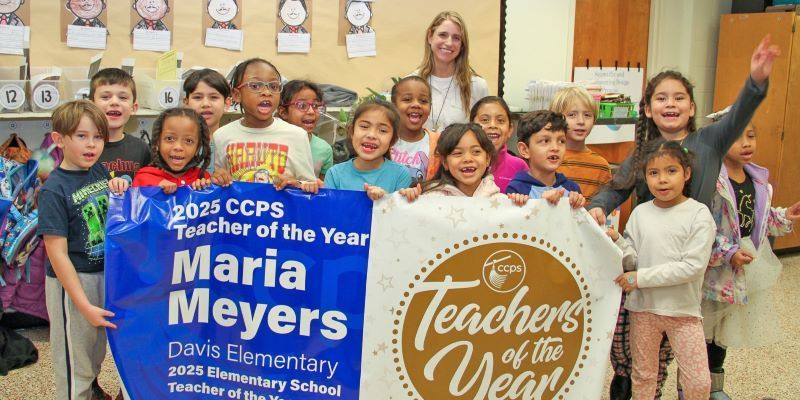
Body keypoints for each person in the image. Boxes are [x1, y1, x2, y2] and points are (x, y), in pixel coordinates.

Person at [587, 36, 778, 400]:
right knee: (640, 354)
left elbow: (739, 114)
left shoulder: (710, 141)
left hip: (694, 263)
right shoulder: (643, 153)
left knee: (692, 345)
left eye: (678, 98)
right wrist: (599, 205)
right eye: (661, 98)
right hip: (646, 264)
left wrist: (756, 81)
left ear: (691, 108)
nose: (670, 103)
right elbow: (617, 188)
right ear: (647, 109)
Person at [608, 139, 715, 400]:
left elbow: (692, 267)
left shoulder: (698, 214)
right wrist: (617, 242)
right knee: (643, 376)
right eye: (654, 173)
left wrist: (640, 278)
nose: (662, 180)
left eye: (671, 171)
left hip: (683, 312)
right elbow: (633, 258)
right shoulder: (640, 213)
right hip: (643, 310)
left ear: (686, 174)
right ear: (645, 177)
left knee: (698, 382)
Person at [38, 100, 130, 400]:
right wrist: (84, 304)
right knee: (74, 366)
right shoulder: (54, 189)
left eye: (98, 137)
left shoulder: (99, 170)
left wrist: (122, 184)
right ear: (59, 139)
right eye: (81, 136)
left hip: (103, 275)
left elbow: (114, 201)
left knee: (93, 355)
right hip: (73, 284)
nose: (91, 145)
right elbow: (57, 253)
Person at [701, 122, 800, 399]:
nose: (746, 143)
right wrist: (727, 252)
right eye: (737, 137)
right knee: (705, 326)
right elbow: (702, 226)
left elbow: (761, 220)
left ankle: (715, 386)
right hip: (716, 263)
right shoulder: (711, 180)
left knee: (726, 328)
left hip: (744, 263)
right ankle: (693, 384)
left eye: (751, 136)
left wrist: (785, 216)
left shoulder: (758, 181)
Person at [213, 58, 317, 192]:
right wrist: (218, 179)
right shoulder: (222, 135)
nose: (267, 92)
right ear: (237, 95)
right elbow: (217, 184)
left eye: (274, 87)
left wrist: (296, 184)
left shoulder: (297, 135)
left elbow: (309, 186)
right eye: (255, 86)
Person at [400, 123, 527, 207]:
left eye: (476, 152)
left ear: (488, 159)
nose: (467, 159)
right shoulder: (430, 200)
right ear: (445, 162)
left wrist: (519, 205)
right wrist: (408, 200)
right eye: (457, 153)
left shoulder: (501, 202)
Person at [414, 11, 488, 132]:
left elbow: (484, 133)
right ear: (430, 37)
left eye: (456, 38)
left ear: (462, 45)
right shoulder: (413, 83)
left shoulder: (477, 85)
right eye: (443, 35)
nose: (449, 43)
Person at [324, 99, 411, 200]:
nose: (371, 135)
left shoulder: (400, 174)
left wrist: (384, 199)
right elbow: (332, 212)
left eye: (382, 130)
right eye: (364, 126)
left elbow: (399, 213)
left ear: (393, 140)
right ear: (352, 131)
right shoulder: (335, 174)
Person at [133, 108, 232, 192]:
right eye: (170, 139)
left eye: (188, 141)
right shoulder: (143, 178)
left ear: (197, 149)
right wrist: (154, 190)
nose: (178, 147)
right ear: (157, 143)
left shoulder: (203, 178)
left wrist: (218, 184)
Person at [505, 110, 585, 209]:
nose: (555, 148)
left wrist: (577, 203)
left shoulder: (572, 188)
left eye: (561, 141)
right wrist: (535, 203)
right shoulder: (516, 189)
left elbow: (577, 222)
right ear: (524, 150)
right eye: (545, 141)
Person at [549, 86, 611, 201]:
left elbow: (602, 204)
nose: (581, 121)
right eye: (572, 115)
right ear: (556, 120)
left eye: (587, 115)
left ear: (594, 120)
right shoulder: (549, 158)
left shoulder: (601, 166)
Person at [91, 68, 152, 182]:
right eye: (105, 97)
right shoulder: (83, 148)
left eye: (123, 97)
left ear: (134, 107)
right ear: (91, 105)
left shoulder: (142, 148)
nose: (114, 102)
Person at [277, 80, 333, 180]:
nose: (311, 111)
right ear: (283, 112)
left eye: (316, 105)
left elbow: (323, 188)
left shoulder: (324, 149)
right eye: (302, 105)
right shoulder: (273, 144)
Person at [470, 96, 527, 193]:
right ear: (471, 127)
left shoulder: (519, 167)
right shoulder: (462, 163)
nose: (493, 125)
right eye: (484, 120)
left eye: (500, 121)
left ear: (510, 129)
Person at [389, 76, 440, 185]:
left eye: (423, 101)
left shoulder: (439, 143)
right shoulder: (384, 140)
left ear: (430, 107)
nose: (416, 104)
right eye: (407, 99)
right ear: (393, 106)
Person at [183, 68, 231, 173]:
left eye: (213, 97)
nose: (205, 104)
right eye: (197, 97)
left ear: (227, 103)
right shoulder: (178, 146)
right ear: (186, 103)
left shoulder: (233, 144)